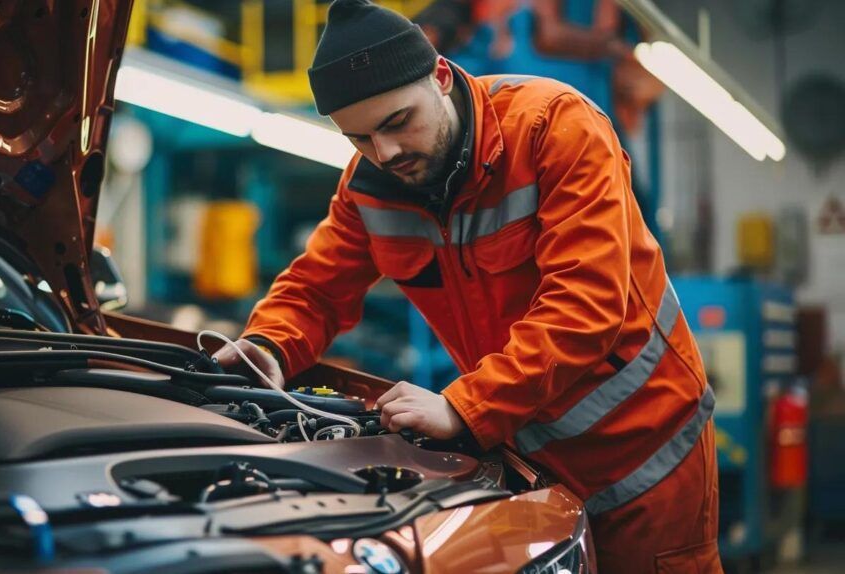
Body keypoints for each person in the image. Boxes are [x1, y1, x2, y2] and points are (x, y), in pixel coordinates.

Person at [213, 1, 719, 571]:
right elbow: (315, 288)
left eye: (398, 121)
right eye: (360, 138)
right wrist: (269, 346)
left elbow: (587, 306)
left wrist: (465, 405)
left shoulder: (555, 128)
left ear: (441, 77)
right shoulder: (372, 184)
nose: (387, 153)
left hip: (644, 451)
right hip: (526, 450)